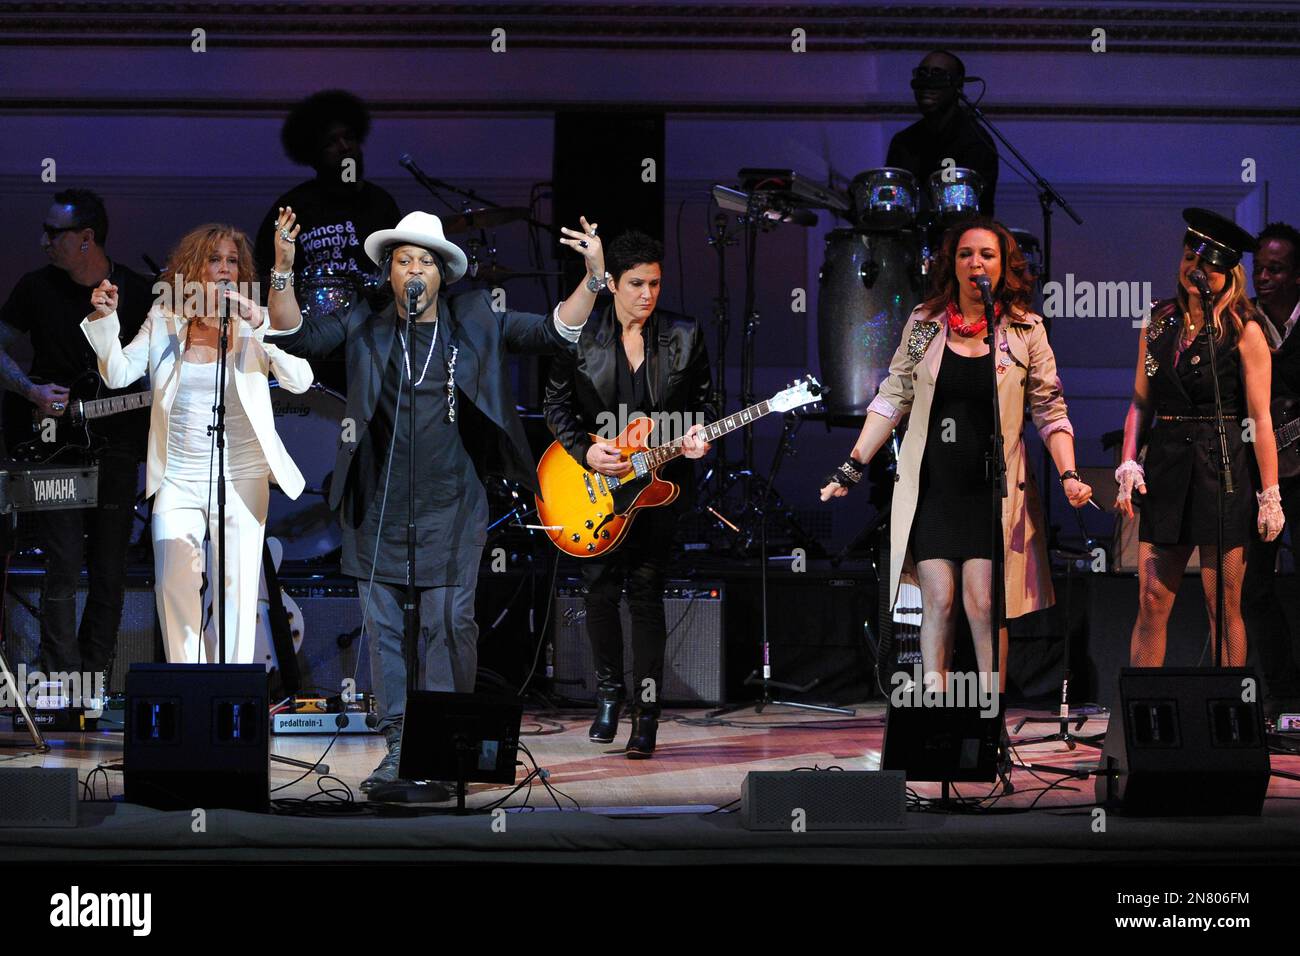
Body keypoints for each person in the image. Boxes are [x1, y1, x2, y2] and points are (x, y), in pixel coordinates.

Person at [264, 208, 606, 795]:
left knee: (450, 623)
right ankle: (398, 747)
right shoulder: (365, 326)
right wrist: (282, 270)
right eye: (403, 261)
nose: (413, 270)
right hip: (378, 506)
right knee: (387, 631)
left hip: (452, 504)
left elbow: (553, 330)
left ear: (443, 273)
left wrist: (594, 279)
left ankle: (445, 746)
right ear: (389, 273)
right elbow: (296, 335)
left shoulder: (474, 319)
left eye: (424, 261)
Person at [821, 217, 1091, 701]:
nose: (976, 263)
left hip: (992, 490)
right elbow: (893, 395)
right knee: (939, 601)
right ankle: (936, 715)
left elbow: (1050, 409)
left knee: (984, 603)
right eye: (966, 254)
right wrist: (853, 463)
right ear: (953, 264)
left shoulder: (1025, 331)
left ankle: (989, 723)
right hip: (935, 488)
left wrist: (1070, 473)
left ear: (1003, 266)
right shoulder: (927, 324)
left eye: (986, 255)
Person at [81, 223, 313, 666]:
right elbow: (117, 374)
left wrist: (258, 322)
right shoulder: (165, 319)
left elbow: (300, 381)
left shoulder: (252, 320)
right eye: (214, 259)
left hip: (242, 476)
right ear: (194, 267)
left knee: (239, 591)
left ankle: (230, 703)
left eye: (231, 261)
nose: (224, 268)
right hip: (177, 476)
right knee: (175, 582)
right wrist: (105, 320)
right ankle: (187, 691)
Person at [543, 231, 713, 758]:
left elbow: (706, 402)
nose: (648, 293)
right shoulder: (581, 334)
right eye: (636, 283)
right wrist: (584, 452)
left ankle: (647, 717)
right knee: (598, 592)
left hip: (658, 486)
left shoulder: (684, 334)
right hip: (597, 481)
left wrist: (698, 434)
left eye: (656, 283)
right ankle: (609, 695)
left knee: (646, 597)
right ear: (612, 283)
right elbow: (554, 405)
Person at [0, 189, 150, 699]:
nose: (44, 242)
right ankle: (61, 681)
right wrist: (30, 390)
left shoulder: (137, 290)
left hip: (118, 446)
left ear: (87, 238)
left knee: (109, 567)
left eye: (54, 233)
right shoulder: (35, 288)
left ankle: (95, 684)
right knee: (62, 561)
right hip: (51, 446)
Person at [1116, 208, 1282, 668]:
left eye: (1209, 264)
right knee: (1152, 598)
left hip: (1221, 470)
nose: (1197, 270)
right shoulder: (1159, 323)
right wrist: (1129, 462)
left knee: (1223, 604)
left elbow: (1261, 419)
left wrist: (1271, 494)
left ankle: (1227, 720)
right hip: (1167, 467)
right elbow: (1139, 403)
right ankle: (1143, 721)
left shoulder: (1243, 330)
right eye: (1191, 257)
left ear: (1228, 273)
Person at [254, 90, 402, 392]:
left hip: (375, 337)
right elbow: (265, 272)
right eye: (331, 143)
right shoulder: (294, 206)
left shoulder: (380, 204)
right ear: (314, 155)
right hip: (311, 340)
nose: (344, 147)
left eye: (349, 137)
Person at [1242, 222, 1300, 707]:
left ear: (1297, 275)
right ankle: (1285, 698)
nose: (1264, 277)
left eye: (1276, 269)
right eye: (1259, 268)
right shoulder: (1243, 322)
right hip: (1256, 475)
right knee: (1254, 590)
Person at [886, 50, 999, 216]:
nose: (927, 83)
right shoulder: (903, 142)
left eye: (937, 75)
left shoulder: (975, 142)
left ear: (957, 86)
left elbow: (966, 212)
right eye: (922, 75)